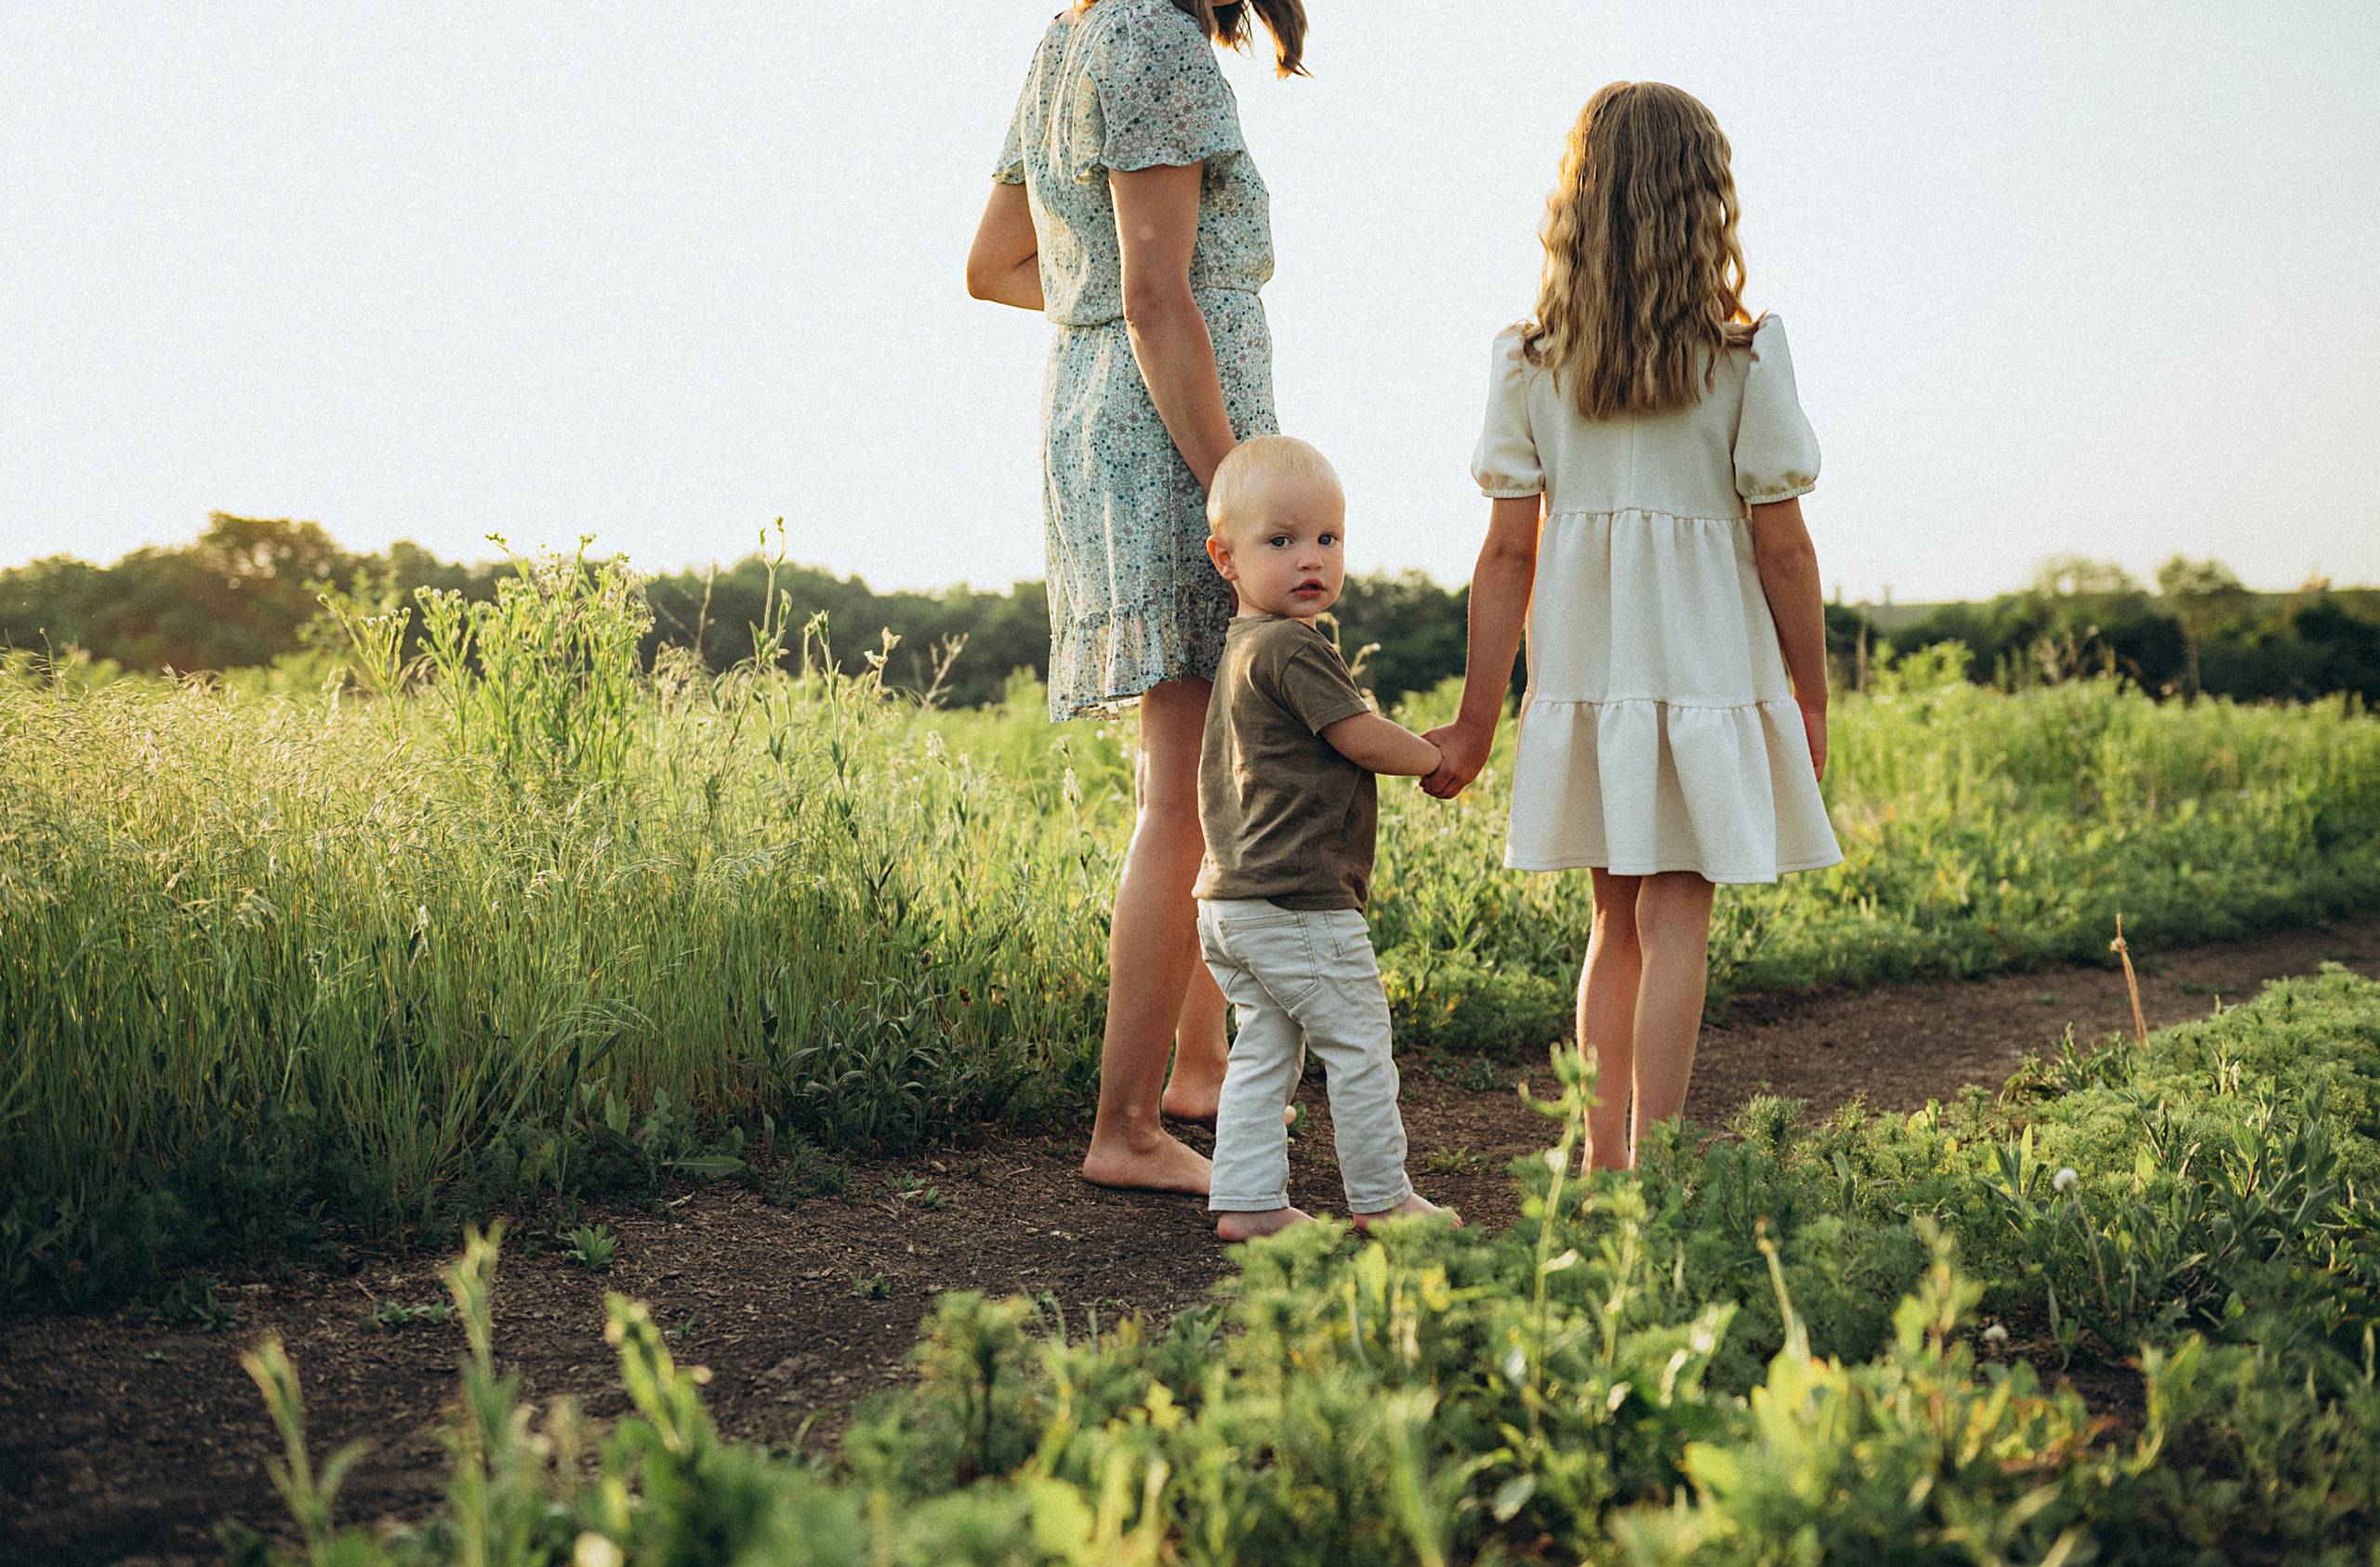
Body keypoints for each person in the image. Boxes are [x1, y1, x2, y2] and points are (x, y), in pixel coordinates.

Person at [1421, 82, 1843, 1171]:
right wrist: (1812, 692)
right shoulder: (1744, 358)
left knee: (1611, 923)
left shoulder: (1529, 361)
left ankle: (1596, 1165)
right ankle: (1655, 1162)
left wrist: (1477, 719)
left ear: (1581, 201)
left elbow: (1508, 553)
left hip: (1593, 670)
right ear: (1705, 201)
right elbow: (1782, 547)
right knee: (1677, 921)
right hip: (1708, 668)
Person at [966, 0, 1309, 1195]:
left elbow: (995, 266)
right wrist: (1238, 493)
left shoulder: (1066, 40)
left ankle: (1197, 1072)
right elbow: (1161, 292)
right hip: (1173, 438)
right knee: (1184, 794)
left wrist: (1094, 308)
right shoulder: (1156, 39)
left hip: (1097, 412)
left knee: (1210, 780)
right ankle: (1124, 1127)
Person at [1194, 436, 1453, 1239]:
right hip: (1298, 900)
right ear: (1225, 558)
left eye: (1327, 539)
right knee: (1359, 1043)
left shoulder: (1241, 649)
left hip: (1230, 902)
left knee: (1265, 1052)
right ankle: (1382, 1200)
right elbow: (1358, 734)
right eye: (1281, 541)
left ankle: (1248, 1201)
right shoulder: (1294, 646)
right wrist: (1434, 756)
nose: (1311, 559)